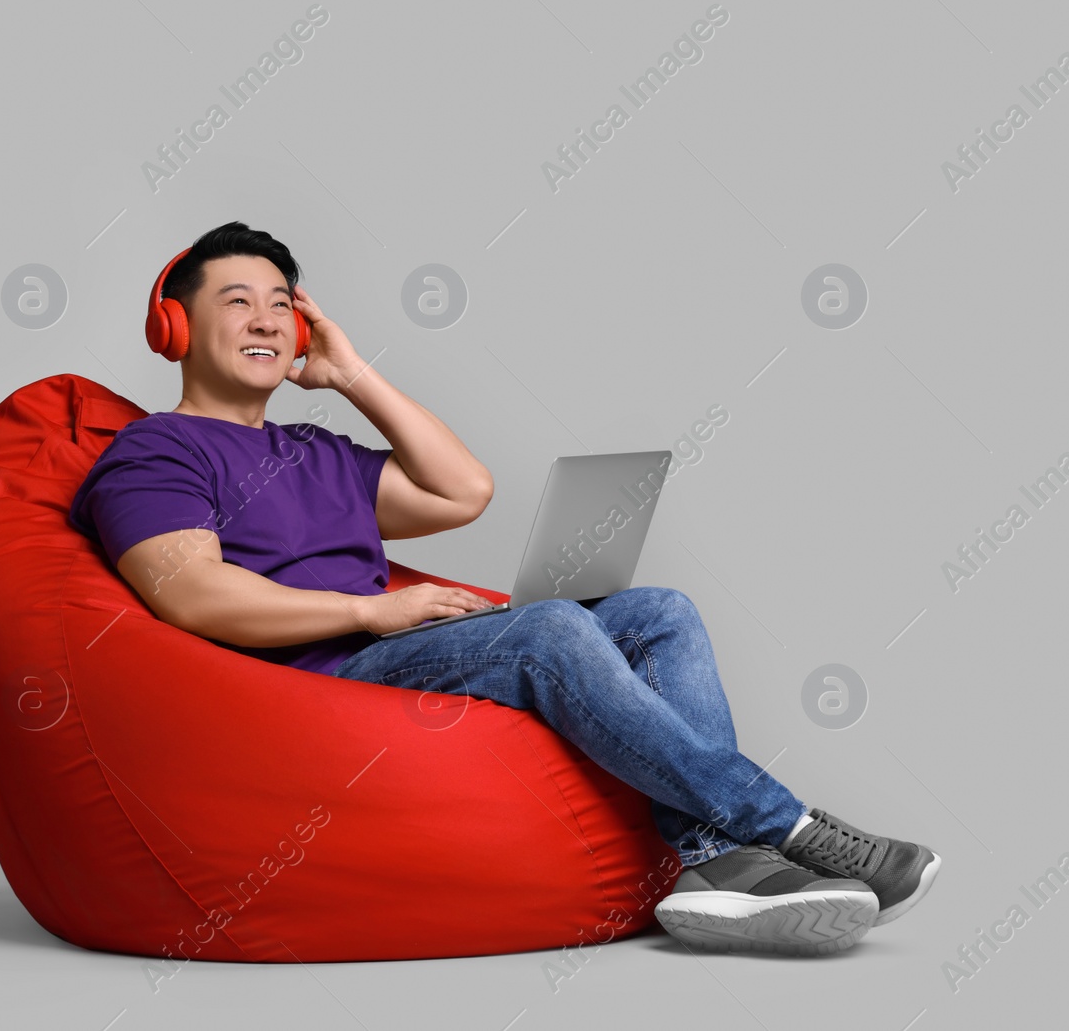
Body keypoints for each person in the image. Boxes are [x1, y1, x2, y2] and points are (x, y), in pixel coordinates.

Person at [69, 221, 941, 957]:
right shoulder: (158, 452)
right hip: (306, 682)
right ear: (174, 326)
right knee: (550, 630)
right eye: (237, 302)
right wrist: (372, 610)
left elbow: (463, 490)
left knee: (659, 613)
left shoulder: (316, 450)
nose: (265, 322)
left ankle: (713, 866)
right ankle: (782, 827)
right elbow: (190, 594)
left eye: (282, 307)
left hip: (389, 646)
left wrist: (352, 375)